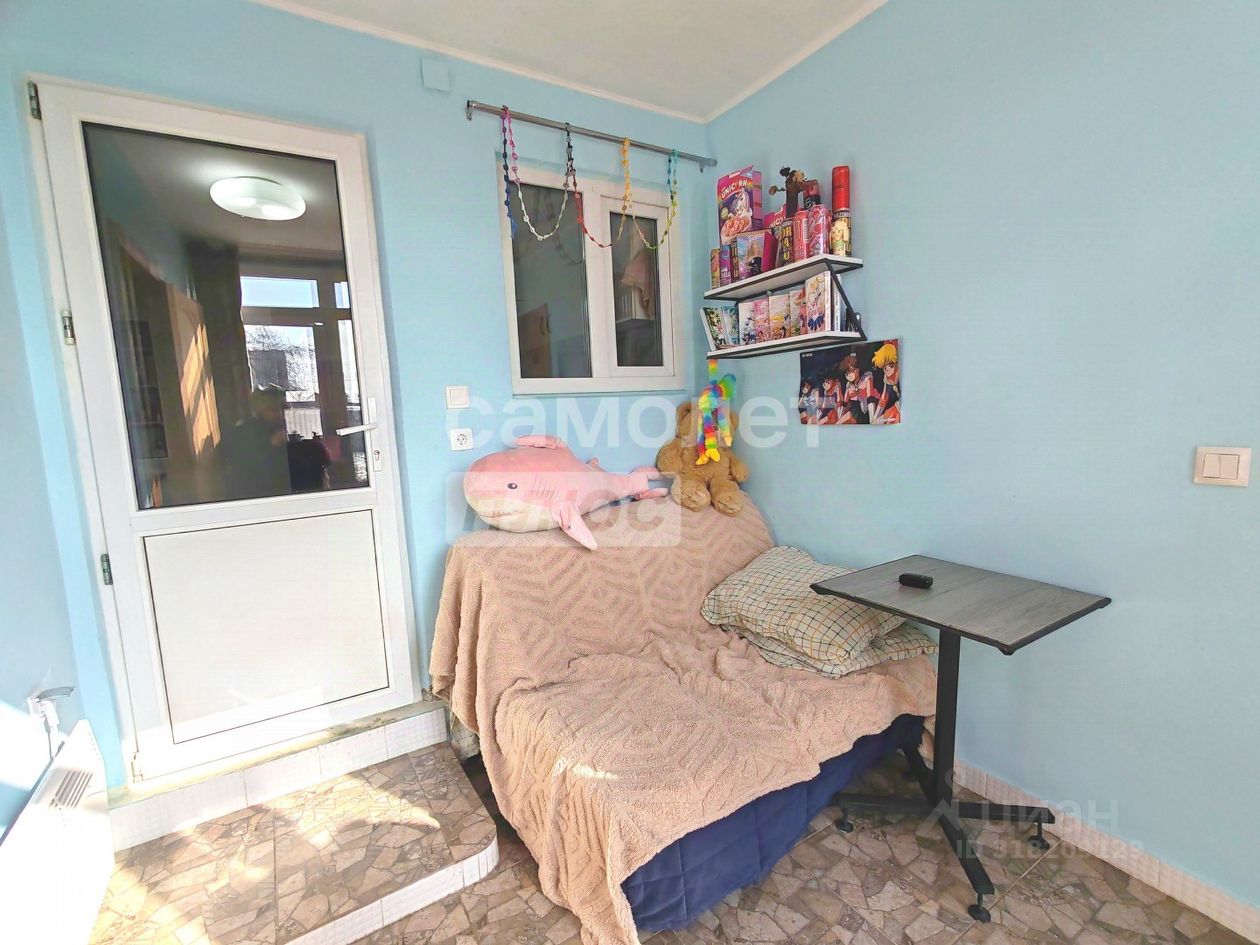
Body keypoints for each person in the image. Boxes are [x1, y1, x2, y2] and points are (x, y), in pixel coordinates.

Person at [217, 386, 290, 500]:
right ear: (262, 410)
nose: (279, 414)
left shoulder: (277, 427)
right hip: (252, 494)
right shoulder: (246, 430)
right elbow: (244, 463)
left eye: (282, 410)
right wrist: (271, 445)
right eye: (274, 410)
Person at [870, 342, 901, 424]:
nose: (886, 369)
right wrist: (873, 421)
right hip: (892, 412)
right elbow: (883, 399)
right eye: (884, 367)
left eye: (890, 365)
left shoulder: (901, 375)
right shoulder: (886, 379)